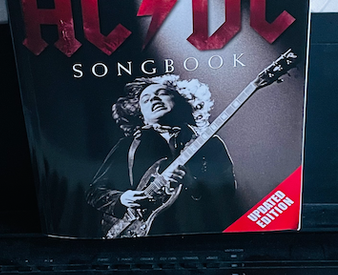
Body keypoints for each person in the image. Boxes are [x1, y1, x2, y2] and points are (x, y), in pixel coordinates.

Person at [87, 75, 239, 237]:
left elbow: (227, 195)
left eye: (162, 93)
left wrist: (192, 185)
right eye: (146, 99)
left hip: (195, 235)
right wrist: (122, 199)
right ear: (141, 115)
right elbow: (94, 192)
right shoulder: (127, 145)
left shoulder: (210, 143)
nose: (154, 99)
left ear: (182, 100)